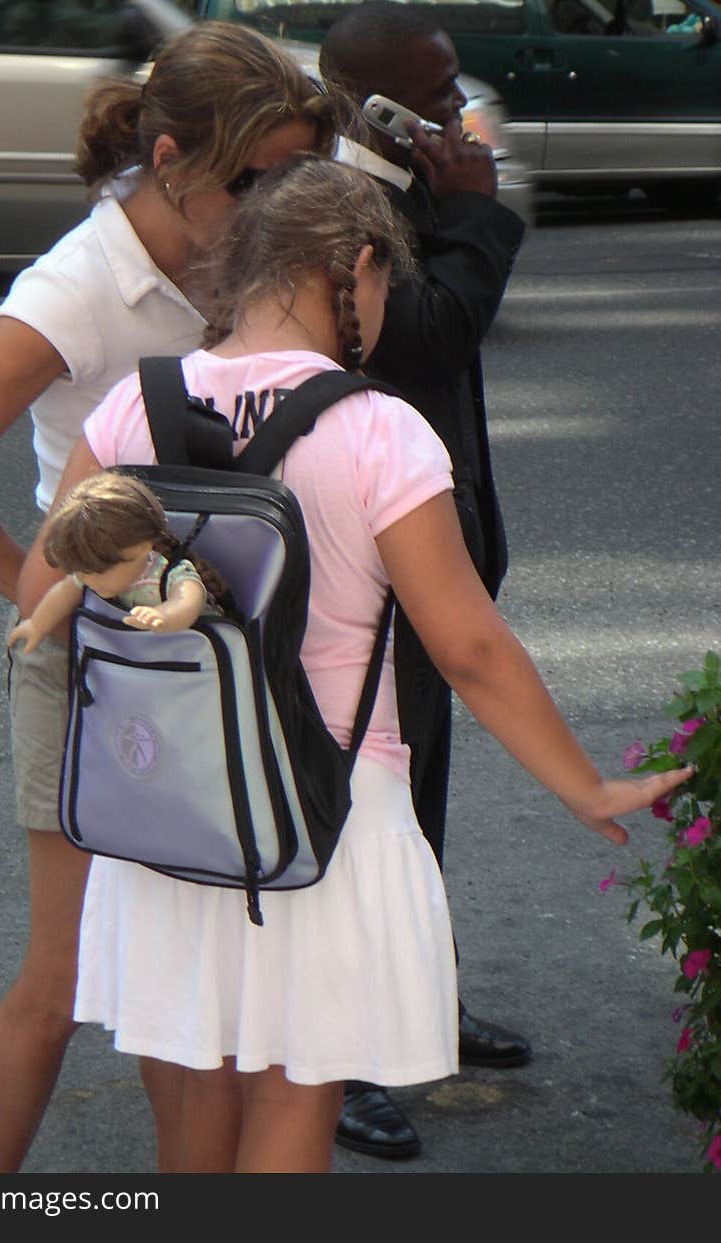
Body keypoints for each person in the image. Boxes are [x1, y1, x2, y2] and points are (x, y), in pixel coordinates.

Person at [15, 154, 691, 1175]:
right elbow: (466, 644)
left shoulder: (132, 409)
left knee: (202, 1082)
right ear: (358, 266)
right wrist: (584, 784)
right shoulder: (380, 432)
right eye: (383, 286)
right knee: (295, 1093)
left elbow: (42, 592)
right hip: (319, 809)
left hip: (167, 804)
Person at [0, 20, 334, 1174]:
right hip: (96, 658)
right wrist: (39, 598)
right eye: (256, 177)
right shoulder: (81, 285)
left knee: (180, 973)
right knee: (68, 973)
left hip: (205, 645)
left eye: (297, 173)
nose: (282, 200)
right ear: (174, 158)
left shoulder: (235, 249)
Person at [319, 0, 532, 1157]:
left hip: (428, 561)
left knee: (419, 810)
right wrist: (475, 216)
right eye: (436, 90)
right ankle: (345, 1057)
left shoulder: (403, 193)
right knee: (369, 820)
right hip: (358, 578)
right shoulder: (328, 208)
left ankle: (413, 1004)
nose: (458, 107)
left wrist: (452, 206)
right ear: (375, 105)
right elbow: (427, 335)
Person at [7, 472, 222, 653]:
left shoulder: (169, 575)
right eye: (82, 571)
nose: (89, 579)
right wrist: (37, 625)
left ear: (141, 548)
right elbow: (62, 593)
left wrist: (164, 616)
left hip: (190, 659)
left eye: (100, 570)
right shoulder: (90, 576)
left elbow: (188, 603)